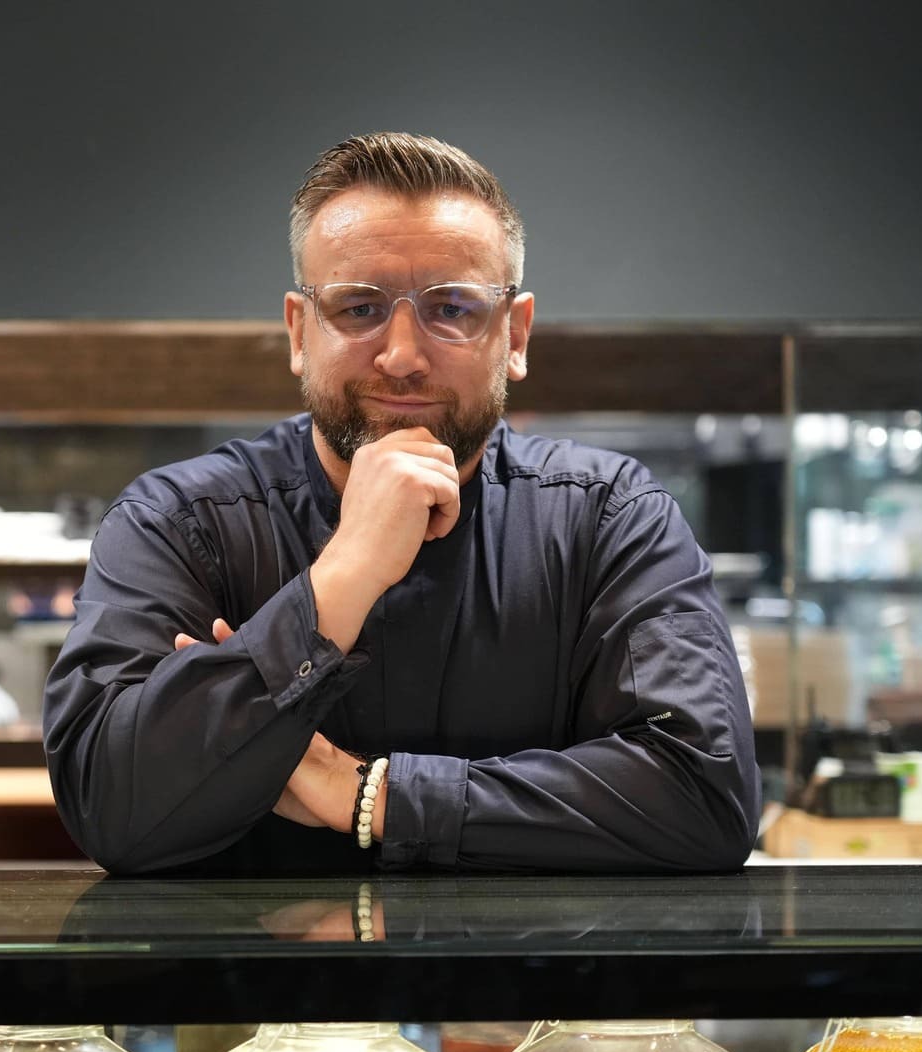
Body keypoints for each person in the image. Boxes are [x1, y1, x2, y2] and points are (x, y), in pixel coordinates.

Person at [43, 132, 760, 876]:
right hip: (261, 986)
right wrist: (342, 578)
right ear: (299, 331)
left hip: (532, 988)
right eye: (358, 308)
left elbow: (703, 797)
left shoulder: (610, 518)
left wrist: (364, 793)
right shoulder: (180, 521)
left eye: (452, 308)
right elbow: (113, 808)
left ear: (514, 335)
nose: (403, 355)